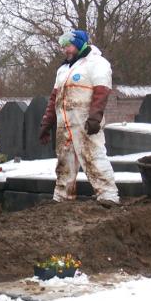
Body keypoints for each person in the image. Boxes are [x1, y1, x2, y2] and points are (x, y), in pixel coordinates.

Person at [38, 29, 119, 206]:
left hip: (85, 122)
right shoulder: (63, 70)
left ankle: (108, 195)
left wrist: (95, 117)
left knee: (93, 156)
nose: (65, 50)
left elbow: (101, 91)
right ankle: (62, 197)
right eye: (63, 47)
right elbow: (54, 98)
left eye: (69, 46)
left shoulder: (97, 63)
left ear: (80, 43)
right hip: (64, 125)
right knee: (64, 162)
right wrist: (46, 123)